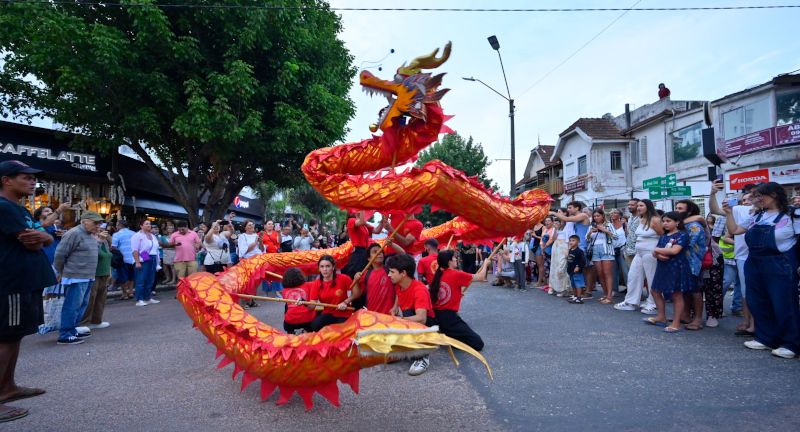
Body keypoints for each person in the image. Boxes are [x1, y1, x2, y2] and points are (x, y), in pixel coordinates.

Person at [0, 160, 54, 423]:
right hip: (11, 282)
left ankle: (7, 387)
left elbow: (43, 237)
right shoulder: (3, 207)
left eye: (34, 178)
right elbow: (33, 242)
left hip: (25, 281)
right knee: (5, 338)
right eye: (26, 177)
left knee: (16, 335)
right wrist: (43, 237)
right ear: (6, 180)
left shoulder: (19, 209)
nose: (33, 182)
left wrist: (44, 236)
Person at [723, 182, 800, 359]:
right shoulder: (756, 215)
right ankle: (766, 339)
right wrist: (728, 213)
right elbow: (734, 230)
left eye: (760, 196)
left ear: (774, 194)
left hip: (780, 262)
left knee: (784, 304)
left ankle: (791, 344)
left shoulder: (792, 214)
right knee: (758, 301)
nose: (757, 200)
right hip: (755, 262)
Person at [53, 211, 104, 344]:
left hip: (86, 276)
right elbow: (59, 255)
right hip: (76, 275)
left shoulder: (89, 234)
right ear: (84, 221)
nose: (98, 226)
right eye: (95, 223)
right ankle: (65, 334)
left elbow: (93, 252)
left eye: (99, 223)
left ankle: (72, 331)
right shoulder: (74, 233)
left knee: (81, 305)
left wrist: (99, 241)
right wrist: (61, 272)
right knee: (72, 306)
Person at [386, 253, 437, 376]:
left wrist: (397, 321)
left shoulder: (419, 289)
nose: (389, 275)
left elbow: (422, 318)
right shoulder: (400, 284)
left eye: (392, 272)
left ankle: (422, 357)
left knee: (408, 313)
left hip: (427, 324)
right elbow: (399, 293)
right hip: (412, 321)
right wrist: (395, 306)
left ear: (403, 273)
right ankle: (406, 350)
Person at [428, 249, 487, 350]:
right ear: (449, 262)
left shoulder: (438, 275)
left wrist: (458, 295)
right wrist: (485, 263)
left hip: (437, 316)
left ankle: (446, 335)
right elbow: (481, 277)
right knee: (478, 343)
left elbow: (441, 295)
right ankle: (448, 340)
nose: (456, 259)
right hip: (449, 318)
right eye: (454, 258)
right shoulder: (456, 274)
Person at [646, 212, 693, 332]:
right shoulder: (664, 236)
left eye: (668, 221)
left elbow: (674, 251)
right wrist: (657, 254)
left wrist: (656, 250)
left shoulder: (682, 235)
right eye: (664, 221)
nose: (665, 223)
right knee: (655, 290)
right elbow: (656, 252)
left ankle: (676, 322)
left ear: (677, 222)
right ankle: (661, 317)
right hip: (663, 266)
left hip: (676, 266)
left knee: (676, 294)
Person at [615, 199, 663, 312]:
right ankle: (630, 301)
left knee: (651, 277)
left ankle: (653, 303)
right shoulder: (640, 221)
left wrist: (660, 251)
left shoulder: (656, 220)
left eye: (641, 205)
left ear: (648, 207)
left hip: (651, 252)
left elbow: (663, 237)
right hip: (639, 252)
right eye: (639, 206)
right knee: (633, 276)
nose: (639, 208)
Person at [675, 200, 710, 331]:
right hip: (682, 261)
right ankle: (685, 315)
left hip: (692, 262)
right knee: (686, 290)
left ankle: (698, 319)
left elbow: (686, 243)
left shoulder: (694, 226)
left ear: (689, 212)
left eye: (680, 208)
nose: (677, 210)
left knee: (695, 290)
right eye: (676, 208)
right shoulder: (684, 225)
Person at [550, 202, 593, 298]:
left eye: (570, 208)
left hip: (584, 246)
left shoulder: (583, 215)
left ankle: (588, 291)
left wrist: (553, 213)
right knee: (578, 269)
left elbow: (566, 218)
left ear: (577, 208)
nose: (568, 210)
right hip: (577, 246)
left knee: (586, 269)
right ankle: (579, 290)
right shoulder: (575, 219)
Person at [76, 221, 112, 333]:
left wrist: (109, 269)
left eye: (99, 226)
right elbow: (92, 254)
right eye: (96, 226)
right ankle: (84, 322)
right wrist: (100, 240)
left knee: (101, 298)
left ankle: (97, 320)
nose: (98, 228)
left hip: (104, 272)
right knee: (90, 298)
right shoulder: (88, 238)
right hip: (93, 272)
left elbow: (107, 255)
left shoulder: (104, 239)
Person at [306, 255, 357, 332]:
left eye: (327, 266)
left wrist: (345, 302)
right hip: (329, 313)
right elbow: (312, 306)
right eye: (322, 267)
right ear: (319, 269)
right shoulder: (316, 283)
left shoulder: (344, 278)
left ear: (333, 267)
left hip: (345, 313)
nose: (325, 269)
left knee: (342, 330)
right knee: (315, 325)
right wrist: (304, 302)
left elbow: (357, 293)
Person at [353, 241, 404, 315]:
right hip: (371, 315)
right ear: (369, 258)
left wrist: (391, 244)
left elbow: (403, 255)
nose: (379, 253)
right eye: (374, 252)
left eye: (381, 251)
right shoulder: (366, 274)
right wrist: (355, 281)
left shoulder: (390, 270)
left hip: (389, 314)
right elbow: (356, 295)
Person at [585, 209, 618, 304]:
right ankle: (606, 294)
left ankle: (609, 296)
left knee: (607, 273)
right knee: (600, 274)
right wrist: (590, 233)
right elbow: (586, 240)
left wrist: (605, 230)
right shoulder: (591, 226)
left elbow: (615, 237)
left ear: (603, 216)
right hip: (595, 250)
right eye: (595, 216)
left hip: (606, 249)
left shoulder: (608, 225)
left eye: (598, 216)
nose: (596, 218)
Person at [131, 220, 160, 307]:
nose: (149, 225)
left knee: (150, 279)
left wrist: (158, 261)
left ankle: (147, 297)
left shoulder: (152, 236)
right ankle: (139, 299)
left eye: (149, 224)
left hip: (152, 258)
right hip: (143, 258)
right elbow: (135, 249)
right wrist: (137, 262)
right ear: (141, 226)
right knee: (141, 279)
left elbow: (156, 249)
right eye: (146, 224)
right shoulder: (137, 236)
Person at [281, 268, 315, 334]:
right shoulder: (308, 285)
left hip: (290, 321)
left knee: (287, 306)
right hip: (308, 320)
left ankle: (291, 331)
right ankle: (308, 330)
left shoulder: (284, 291)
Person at [111, 220, 136, 300]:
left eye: (117, 225)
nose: (116, 227)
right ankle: (131, 291)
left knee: (123, 277)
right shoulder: (134, 233)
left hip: (122, 258)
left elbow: (114, 247)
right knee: (131, 276)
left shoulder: (117, 235)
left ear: (120, 226)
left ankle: (124, 294)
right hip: (133, 258)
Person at [548, 215, 571, 296]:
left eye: (560, 212)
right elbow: (553, 238)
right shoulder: (556, 225)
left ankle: (564, 289)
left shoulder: (569, 224)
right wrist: (556, 229)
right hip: (556, 245)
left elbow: (571, 237)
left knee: (562, 267)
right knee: (554, 267)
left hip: (564, 245)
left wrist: (569, 249)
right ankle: (554, 287)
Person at [609, 209, 629, 295]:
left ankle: (630, 288)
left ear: (620, 216)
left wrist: (627, 247)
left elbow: (628, 236)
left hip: (622, 248)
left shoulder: (624, 224)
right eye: (612, 213)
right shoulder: (609, 225)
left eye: (615, 213)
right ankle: (614, 289)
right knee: (613, 270)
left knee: (625, 270)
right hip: (612, 249)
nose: (612, 214)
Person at [565, 235, 588, 304]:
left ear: (578, 242)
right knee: (573, 284)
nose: (571, 242)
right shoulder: (570, 250)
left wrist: (578, 266)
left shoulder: (579, 251)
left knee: (578, 284)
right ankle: (575, 296)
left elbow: (583, 261)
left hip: (577, 271)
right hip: (571, 270)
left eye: (573, 240)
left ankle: (579, 298)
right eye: (570, 240)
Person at [623, 199, 641, 270]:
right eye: (629, 205)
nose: (630, 206)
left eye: (632, 205)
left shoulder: (642, 218)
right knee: (632, 274)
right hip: (629, 251)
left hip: (638, 251)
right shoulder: (630, 218)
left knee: (642, 274)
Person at [540, 216, 556, 290]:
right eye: (546, 221)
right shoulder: (545, 230)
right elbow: (541, 239)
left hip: (550, 249)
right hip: (544, 249)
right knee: (546, 267)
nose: (547, 222)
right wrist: (542, 246)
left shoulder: (553, 230)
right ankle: (548, 283)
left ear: (552, 222)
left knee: (551, 266)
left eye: (549, 221)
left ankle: (552, 285)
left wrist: (545, 246)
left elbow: (551, 239)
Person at [530, 221, 546, 287]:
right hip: (534, 246)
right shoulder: (534, 227)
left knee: (540, 264)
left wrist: (535, 236)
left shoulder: (543, 227)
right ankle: (543, 280)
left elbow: (543, 238)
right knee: (537, 264)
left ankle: (539, 281)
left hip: (540, 246)